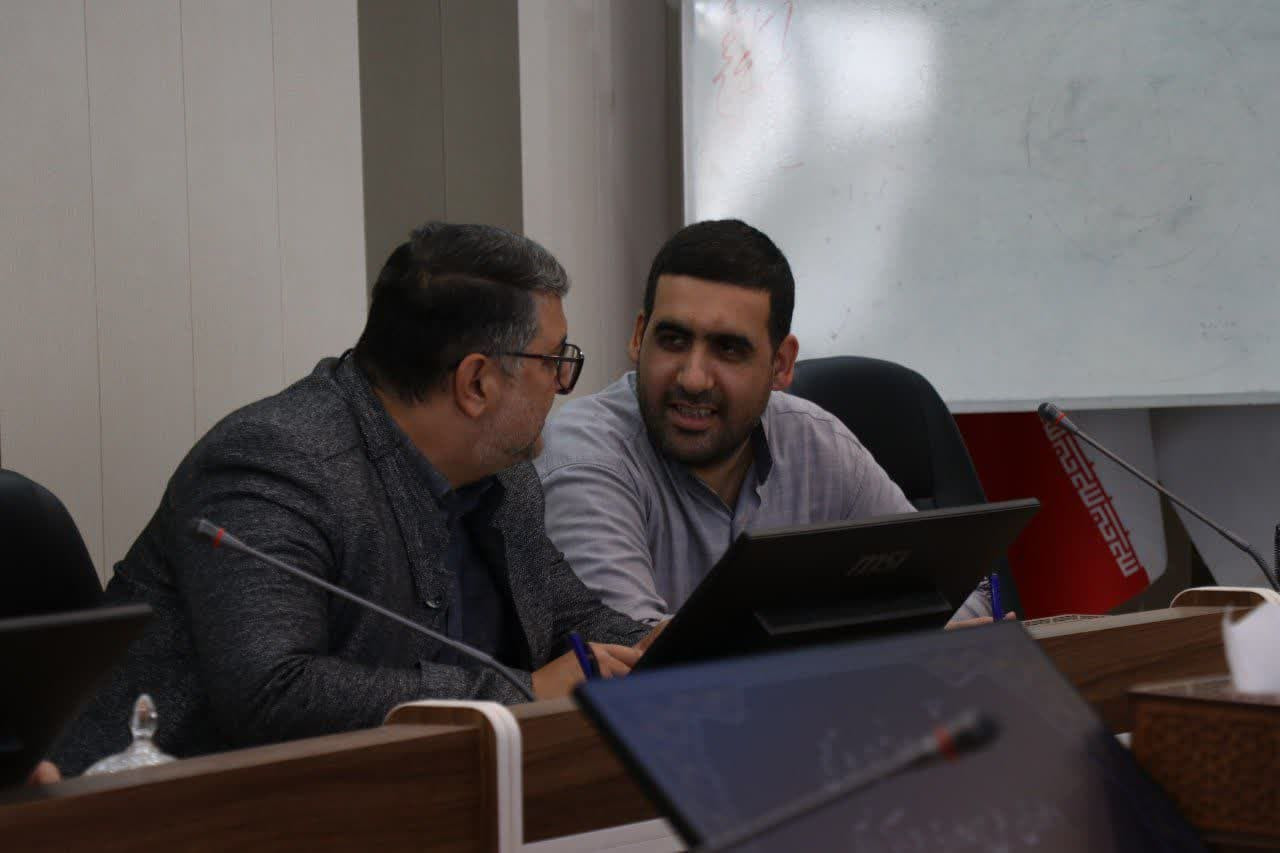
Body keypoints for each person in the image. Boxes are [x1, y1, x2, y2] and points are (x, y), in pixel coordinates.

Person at [51, 223, 653, 776]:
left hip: (417, 795)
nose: (562, 384)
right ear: (477, 383)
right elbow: (273, 692)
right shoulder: (278, 462)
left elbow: (567, 618)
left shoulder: (501, 473)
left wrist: (664, 650)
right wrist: (520, 695)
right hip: (173, 811)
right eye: (554, 361)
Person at [535, 219, 994, 625]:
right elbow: (630, 658)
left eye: (728, 349)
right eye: (673, 340)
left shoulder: (815, 442)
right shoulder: (585, 457)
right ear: (639, 337)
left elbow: (960, 596)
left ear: (781, 364)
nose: (693, 378)